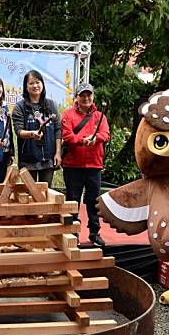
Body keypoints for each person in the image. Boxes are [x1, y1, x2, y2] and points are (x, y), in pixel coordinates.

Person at [61, 82, 110, 247]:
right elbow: (67, 136)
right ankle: (72, 233)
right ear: (77, 97)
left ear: (93, 96)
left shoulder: (99, 115)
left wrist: (96, 139)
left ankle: (94, 232)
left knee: (93, 200)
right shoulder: (68, 115)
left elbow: (106, 133)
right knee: (73, 199)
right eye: (82, 95)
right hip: (73, 165)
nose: (86, 98)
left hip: (94, 165)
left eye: (89, 95)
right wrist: (82, 141)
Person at [11, 70, 62, 185]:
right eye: (31, 83)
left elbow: (58, 129)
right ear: (25, 86)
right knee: (31, 194)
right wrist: (32, 134)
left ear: (42, 84)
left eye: (38, 82)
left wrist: (58, 153)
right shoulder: (20, 107)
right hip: (28, 158)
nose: (35, 86)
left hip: (49, 158)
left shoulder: (51, 105)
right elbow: (18, 131)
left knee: (46, 193)